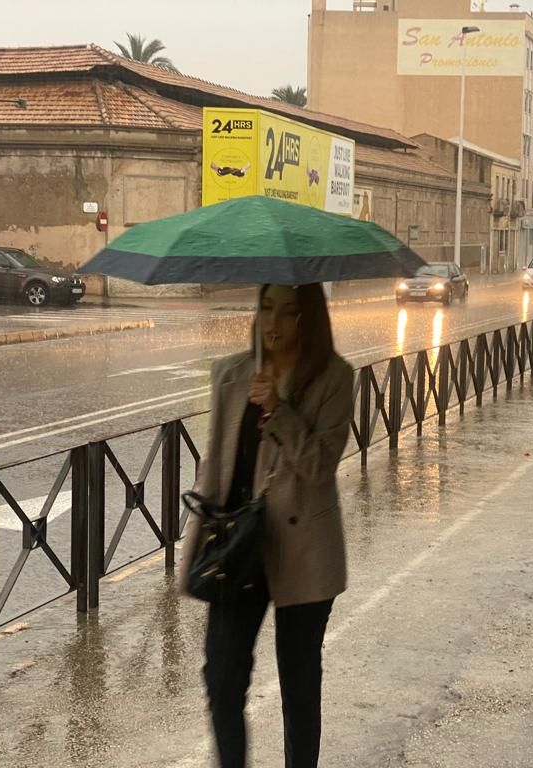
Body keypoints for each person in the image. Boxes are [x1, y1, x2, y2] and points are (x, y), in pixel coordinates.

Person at [179, 283, 354, 768]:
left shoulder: (334, 378)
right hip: (238, 544)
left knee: (298, 686)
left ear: (310, 319)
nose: (274, 321)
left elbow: (320, 464)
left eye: (290, 312)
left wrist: (279, 410)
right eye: (266, 306)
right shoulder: (231, 373)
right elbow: (215, 464)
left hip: (303, 549)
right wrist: (197, 537)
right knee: (223, 677)